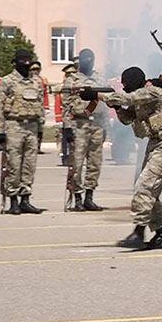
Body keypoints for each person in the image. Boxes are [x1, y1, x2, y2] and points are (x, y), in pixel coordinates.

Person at [92, 69, 162, 249]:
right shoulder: (141, 97)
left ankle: (138, 233)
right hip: (155, 144)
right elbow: (128, 119)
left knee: (144, 187)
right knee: (149, 190)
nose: (124, 87)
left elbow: (127, 99)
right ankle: (161, 234)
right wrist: (117, 108)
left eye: (126, 84)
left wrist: (97, 95)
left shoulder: (152, 91)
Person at [0, 50, 46, 215]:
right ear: (15, 62)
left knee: (29, 165)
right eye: (22, 60)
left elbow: (40, 105)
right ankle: (13, 201)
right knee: (14, 165)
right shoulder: (7, 81)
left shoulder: (36, 82)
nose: (26, 63)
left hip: (32, 127)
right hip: (14, 126)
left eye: (28, 60)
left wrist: (40, 128)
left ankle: (25, 199)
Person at [61, 49, 109, 212]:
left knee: (95, 162)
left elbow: (105, 104)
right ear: (80, 62)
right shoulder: (71, 80)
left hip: (97, 124)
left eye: (91, 59)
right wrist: (67, 128)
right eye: (85, 59)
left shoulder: (100, 79)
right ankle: (77, 197)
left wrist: (106, 127)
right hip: (79, 125)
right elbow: (66, 106)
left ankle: (89, 196)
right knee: (77, 163)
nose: (88, 62)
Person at [30, 60, 49, 155]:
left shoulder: (42, 80)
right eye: (33, 69)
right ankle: (31, 147)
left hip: (40, 108)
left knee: (40, 128)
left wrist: (46, 106)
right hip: (31, 108)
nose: (35, 71)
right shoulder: (28, 80)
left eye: (37, 69)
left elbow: (45, 94)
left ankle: (38, 147)